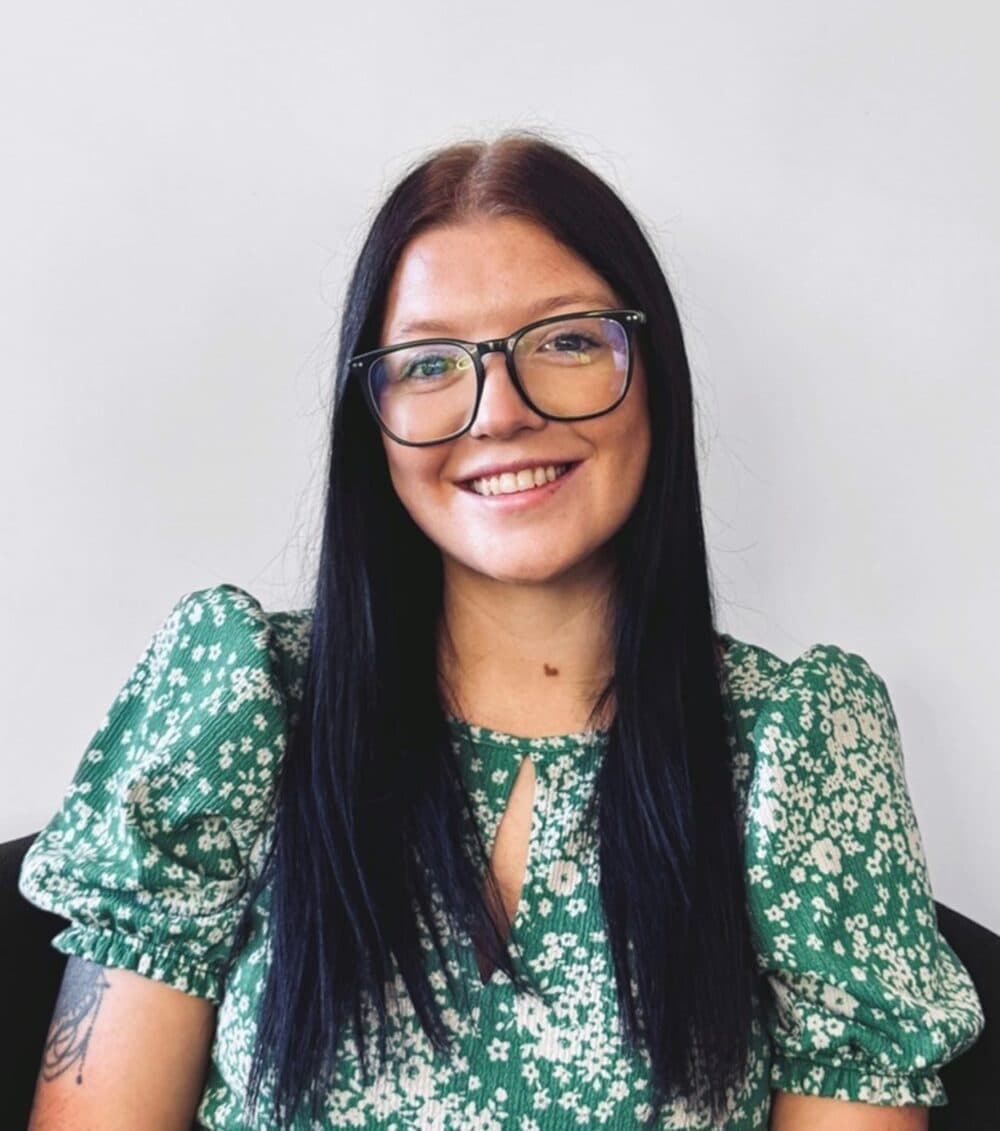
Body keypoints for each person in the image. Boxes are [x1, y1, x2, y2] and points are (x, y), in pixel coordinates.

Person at [19, 132, 984, 1131]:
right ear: (373, 416)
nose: (501, 412)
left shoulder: (798, 749)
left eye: (565, 341)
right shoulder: (241, 703)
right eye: (431, 362)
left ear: (652, 371)